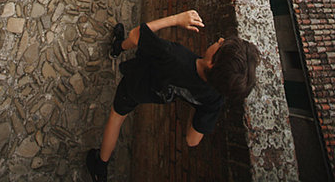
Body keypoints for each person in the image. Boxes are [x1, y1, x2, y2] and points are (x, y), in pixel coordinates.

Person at [86, 10, 260, 182]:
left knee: (116, 117)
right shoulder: (215, 96)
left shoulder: (174, 56)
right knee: (121, 113)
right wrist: (196, 103)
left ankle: (100, 166)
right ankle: (118, 46)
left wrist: (177, 19)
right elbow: (192, 140)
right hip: (155, 95)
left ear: (211, 63)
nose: (220, 40)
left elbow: (136, 34)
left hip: (135, 83)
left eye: (221, 45)